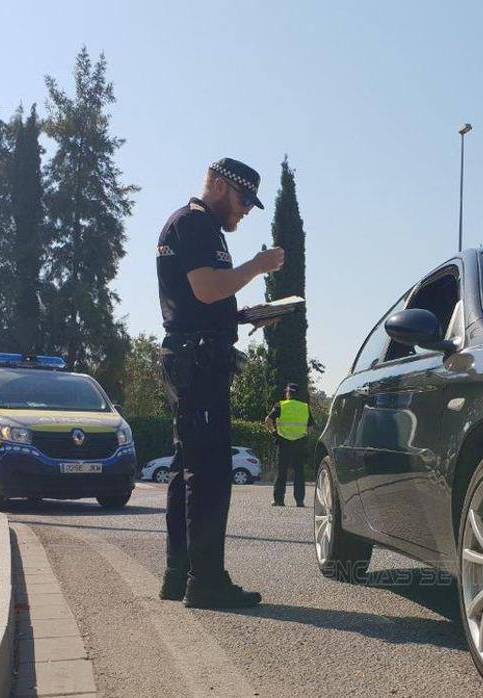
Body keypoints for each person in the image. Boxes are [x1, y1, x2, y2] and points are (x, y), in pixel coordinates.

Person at [156, 158, 284, 607]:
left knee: (185, 468)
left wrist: (245, 316)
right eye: (245, 199)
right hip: (198, 360)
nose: (246, 210)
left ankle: (179, 575)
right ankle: (205, 581)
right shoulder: (195, 225)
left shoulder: (193, 226)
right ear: (225, 187)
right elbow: (207, 289)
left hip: (191, 354)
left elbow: (204, 300)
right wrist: (258, 265)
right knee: (207, 473)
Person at [265, 383, 315, 507]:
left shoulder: (281, 405)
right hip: (299, 442)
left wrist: (274, 432)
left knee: (281, 472)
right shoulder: (304, 407)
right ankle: (299, 501)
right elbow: (311, 426)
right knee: (299, 472)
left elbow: (268, 420)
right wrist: (305, 436)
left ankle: (279, 500)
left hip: (283, 442)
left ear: (288, 393)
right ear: (297, 394)